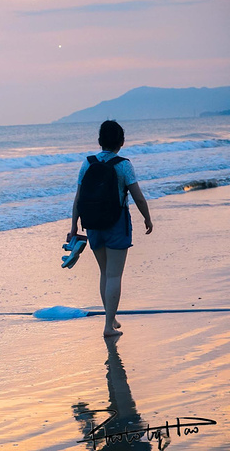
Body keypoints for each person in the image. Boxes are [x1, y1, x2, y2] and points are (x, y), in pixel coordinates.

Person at [69, 120, 153, 337]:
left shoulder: (87, 163)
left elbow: (78, 198)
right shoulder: (123, 165)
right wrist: (147, 218)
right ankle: (108, 325)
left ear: (100, 141)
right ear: (121, 142)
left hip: (93, 225)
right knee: (115, 275)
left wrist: (74, 226)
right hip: (116, 223)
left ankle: (111, 317)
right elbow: (138, 197)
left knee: (104, 273)